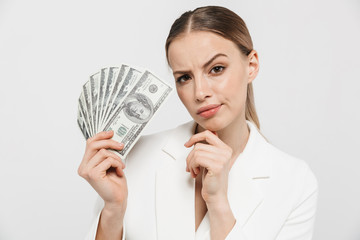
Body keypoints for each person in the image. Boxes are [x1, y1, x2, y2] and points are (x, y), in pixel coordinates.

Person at [78, 6, 318, 240]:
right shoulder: (132, 158)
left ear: (251, 65)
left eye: (216, 69)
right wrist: (113, 208)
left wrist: (218, 204)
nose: (200, 92)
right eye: (184, 78)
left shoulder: (295, 182)